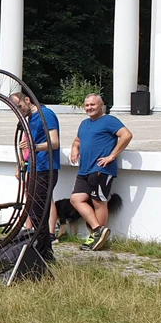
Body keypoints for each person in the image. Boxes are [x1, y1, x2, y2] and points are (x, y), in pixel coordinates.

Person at [68, 93, 132, 251]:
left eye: (93, 105)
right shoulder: (84, 123)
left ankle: (97, 238)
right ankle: (98, 231)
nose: (89, 108)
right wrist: (74, 149)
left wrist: (112, 155)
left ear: (101, 105)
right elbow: (77, 140)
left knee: (98, 202)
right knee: (76, 199)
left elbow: (127, 135)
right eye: (87, 105)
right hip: (84, 169)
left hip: (101, 169)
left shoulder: (109, 120)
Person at [12, 92, 60, 239]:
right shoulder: (30, 118)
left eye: (20, 106)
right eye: (16, 110)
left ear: (27, 99)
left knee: (39, 209)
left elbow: (54, 143)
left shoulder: (45, 114)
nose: (20, 111)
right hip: (35, 166)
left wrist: (34, 146)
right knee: (34, 208)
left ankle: (43, 243)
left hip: (46, 167)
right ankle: (40, 243)